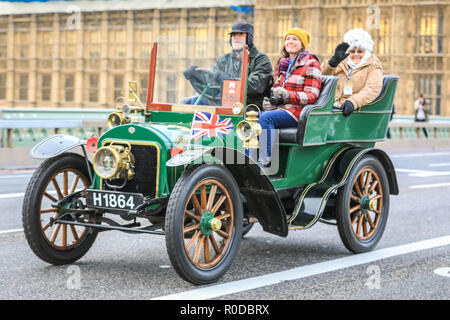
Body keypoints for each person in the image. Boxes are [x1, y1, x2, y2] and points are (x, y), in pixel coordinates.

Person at [257, 27, 322, 166]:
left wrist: (287, 96)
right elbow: (275, 90)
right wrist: (270, 102)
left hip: (297, 112)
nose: (290, 42)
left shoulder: (311, 63)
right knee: (250, 116)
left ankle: (265, 161)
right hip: (280, 109)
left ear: (302, 44)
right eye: (287, 39)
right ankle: (245, 159)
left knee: (265, 118)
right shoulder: (283, 64)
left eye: (295, 39)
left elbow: (312, 95)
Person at [182, 22, 273, 107]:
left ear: (249, 38)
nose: (236, 37)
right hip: (223, 104)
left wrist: (227, 79)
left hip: (248, 107)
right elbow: (211, 84)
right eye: (233, 35)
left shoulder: (261, 60)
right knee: (188, 101)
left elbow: (255, 86)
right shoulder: (224, 60)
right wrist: (196, 76)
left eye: (241, 34)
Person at [322, 28, 383, 117]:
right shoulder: (341, 62)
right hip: (329, 107)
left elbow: (372, 89)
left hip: (350, 110)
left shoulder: (373, 67)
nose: (356, 54)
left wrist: (353, 102)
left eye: (360, 51)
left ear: (367, 52)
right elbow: (319, 78)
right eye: (352, 51)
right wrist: (332, 63)